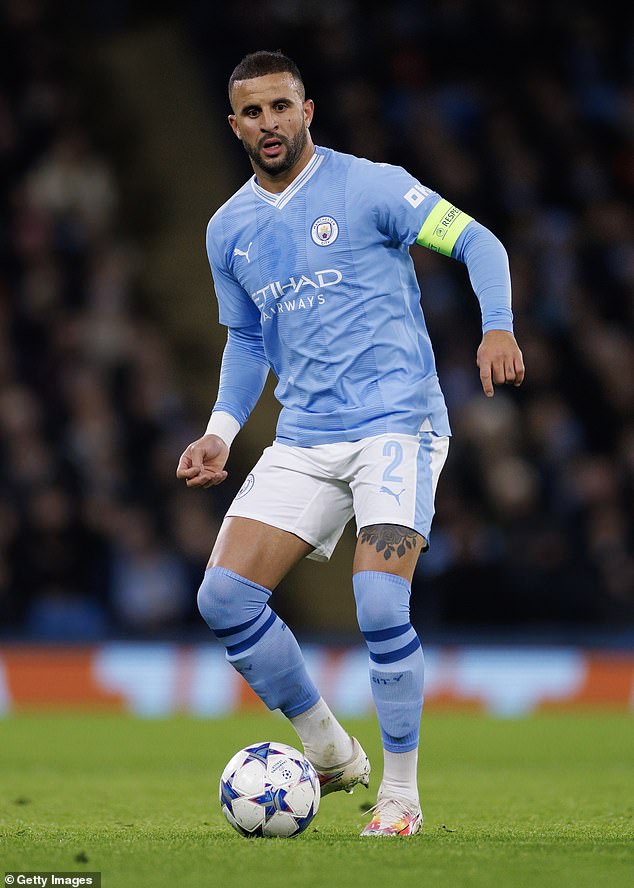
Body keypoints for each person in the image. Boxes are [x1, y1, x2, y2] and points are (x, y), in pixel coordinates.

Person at [177, 50, 524, 837]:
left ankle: (399, 797)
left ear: (308, 110)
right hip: (306, 437)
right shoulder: (227, 229)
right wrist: (220, 431)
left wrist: (496, 325)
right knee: (224, 599)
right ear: (234, 126)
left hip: (396, 425)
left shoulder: (370, 185)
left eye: (281, 107)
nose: (269, 123)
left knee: (377, 601)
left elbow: (480, 243)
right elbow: (247, 341)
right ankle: (329, 751)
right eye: (252, 113)